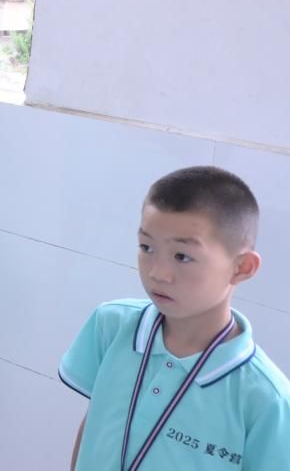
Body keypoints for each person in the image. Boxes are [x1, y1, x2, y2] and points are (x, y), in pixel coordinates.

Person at [59, 166, 290, 470]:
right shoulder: (112, 325)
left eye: (182, 256)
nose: (158, 273)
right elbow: (94, 425)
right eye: (146, 247)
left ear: (241, 267)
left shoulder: (267, 399)